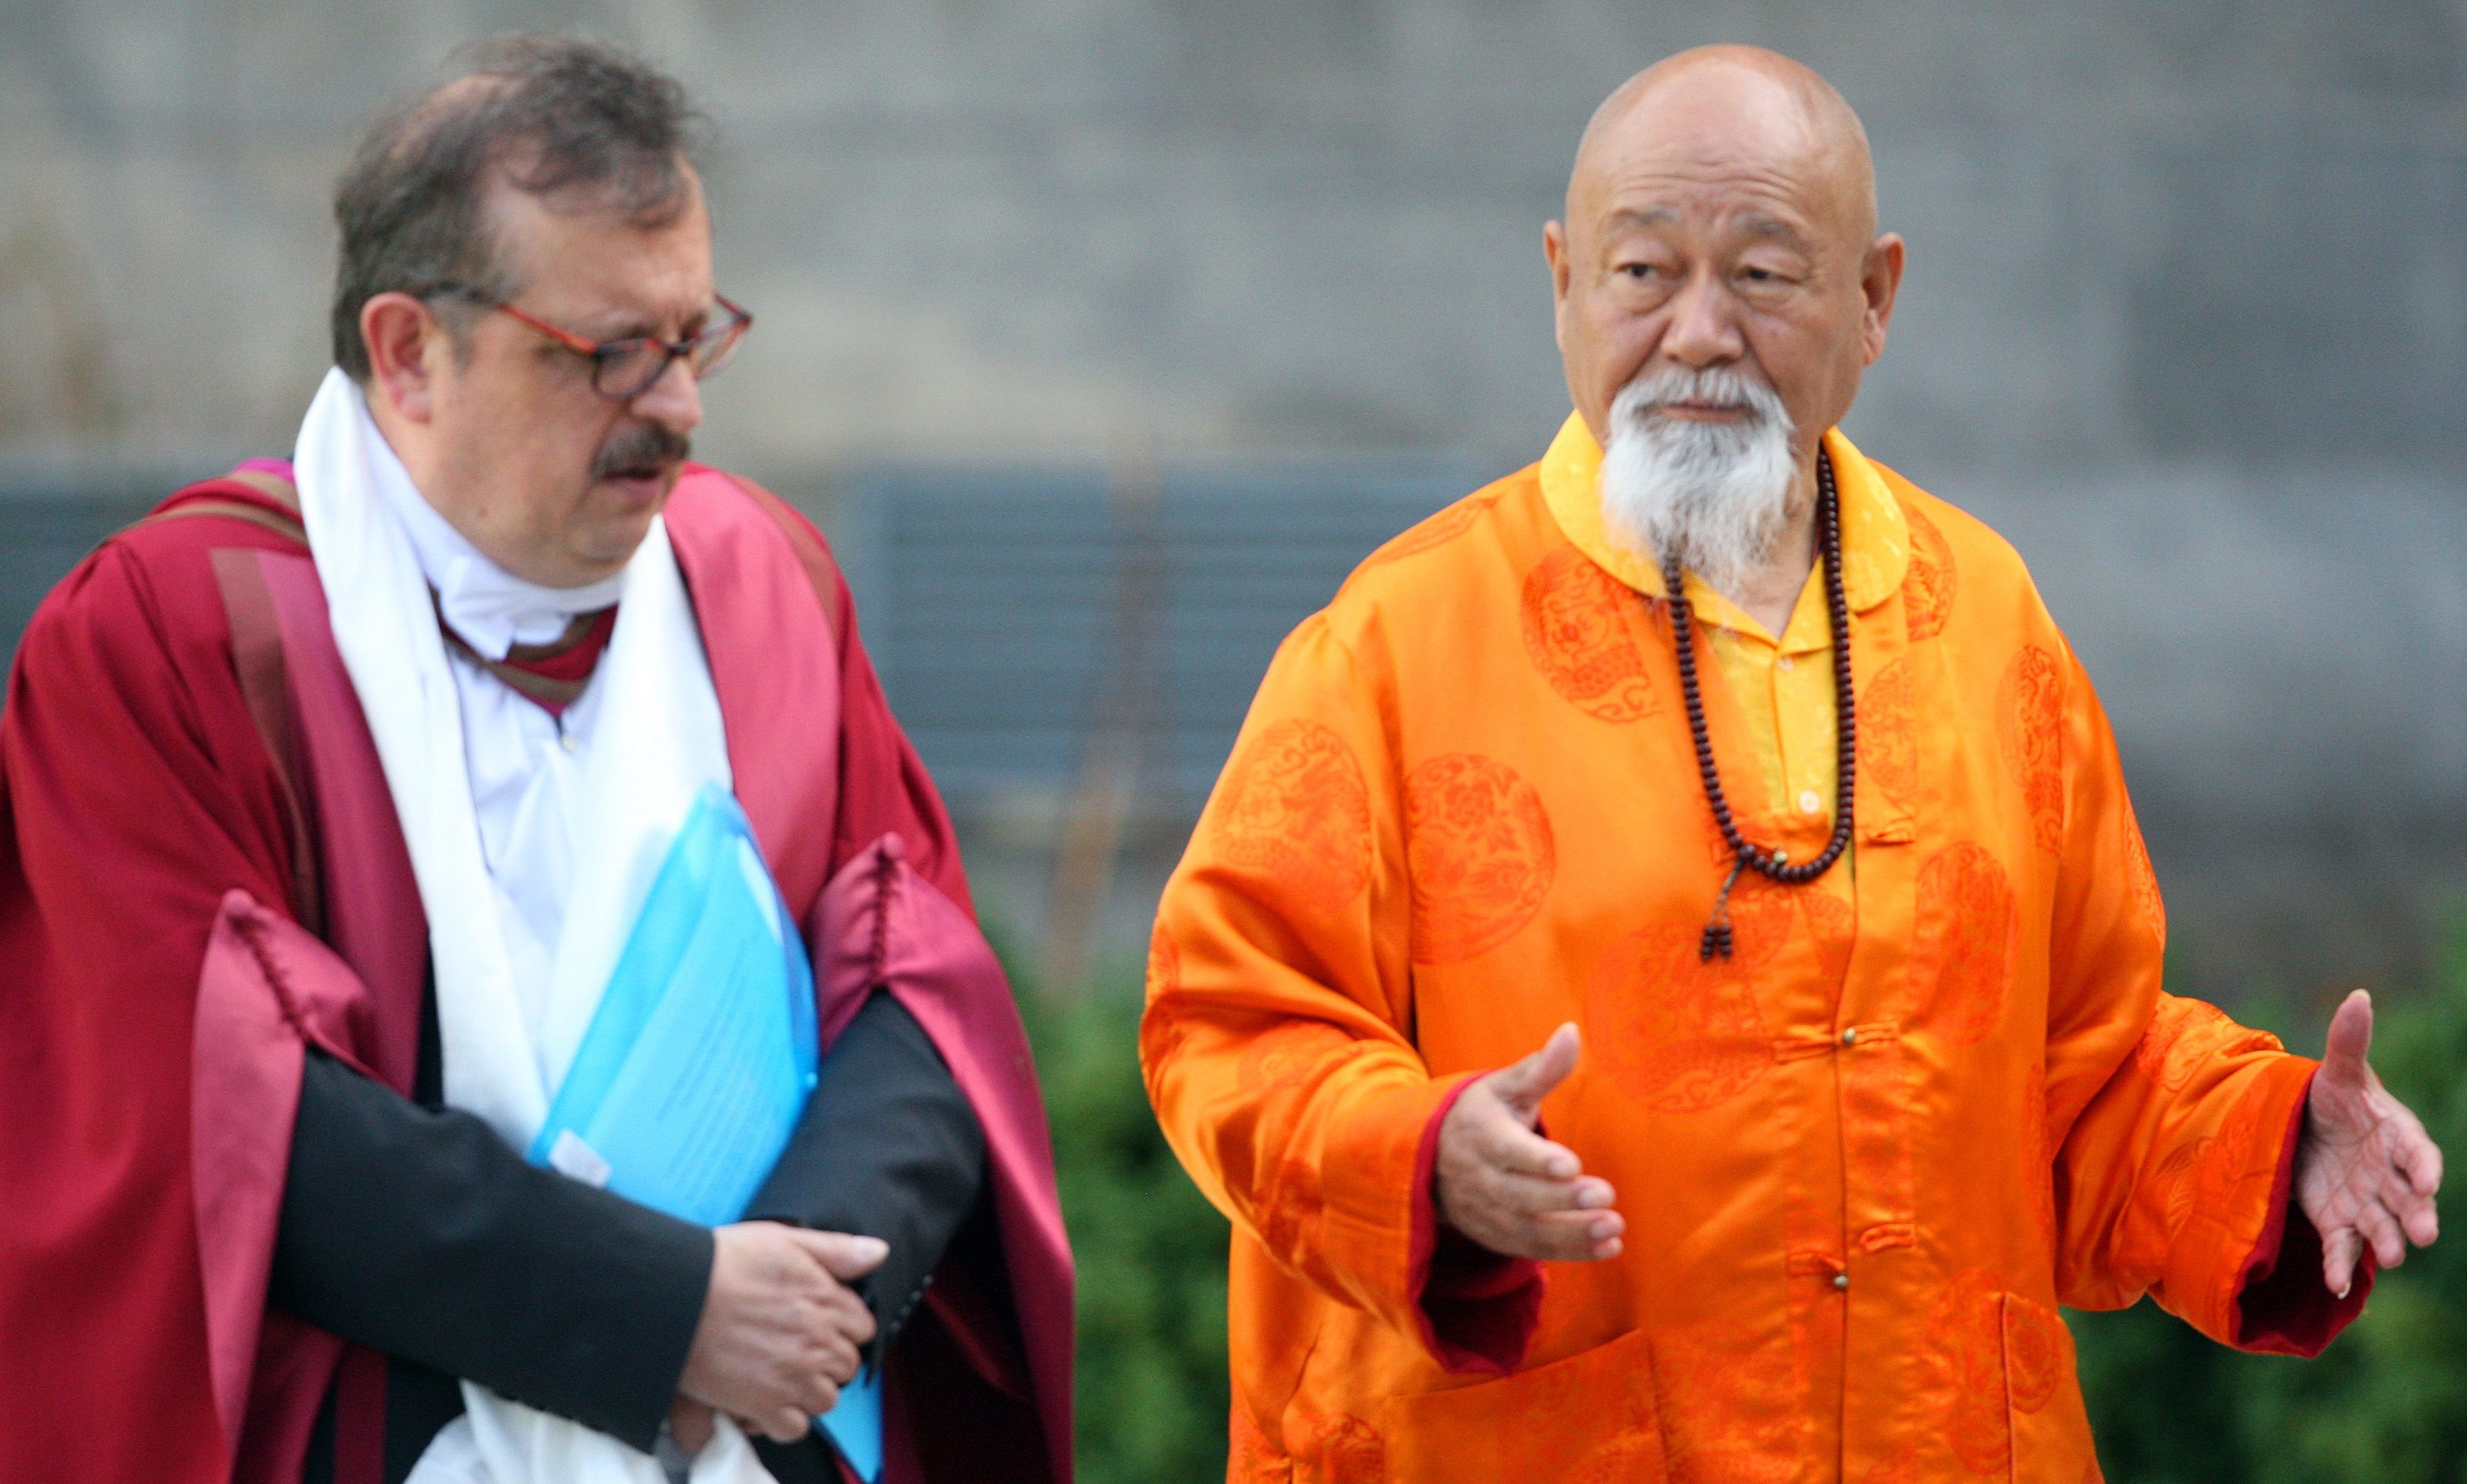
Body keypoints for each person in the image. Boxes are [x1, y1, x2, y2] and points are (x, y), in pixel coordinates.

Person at [1142, 44, 2442, 1484]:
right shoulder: (1393, 640)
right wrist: (1416, 1157)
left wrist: (2270, 1144)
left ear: (1874, 299)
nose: (1696, 333)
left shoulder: (1984, 614)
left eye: (1760, 276)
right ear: (1562, 281)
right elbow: (1229, 1022)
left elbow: (2085, 1073)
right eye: (1643, 274)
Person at [0, 36, 1070, 1484]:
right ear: (407, 352)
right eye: (607, 355)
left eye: (694, 339)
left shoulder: (763, 582)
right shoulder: (177, 635)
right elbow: (209, 1109)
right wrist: (668, 1316)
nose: (677, 408)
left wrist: (791, 1309)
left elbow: (912, 968)